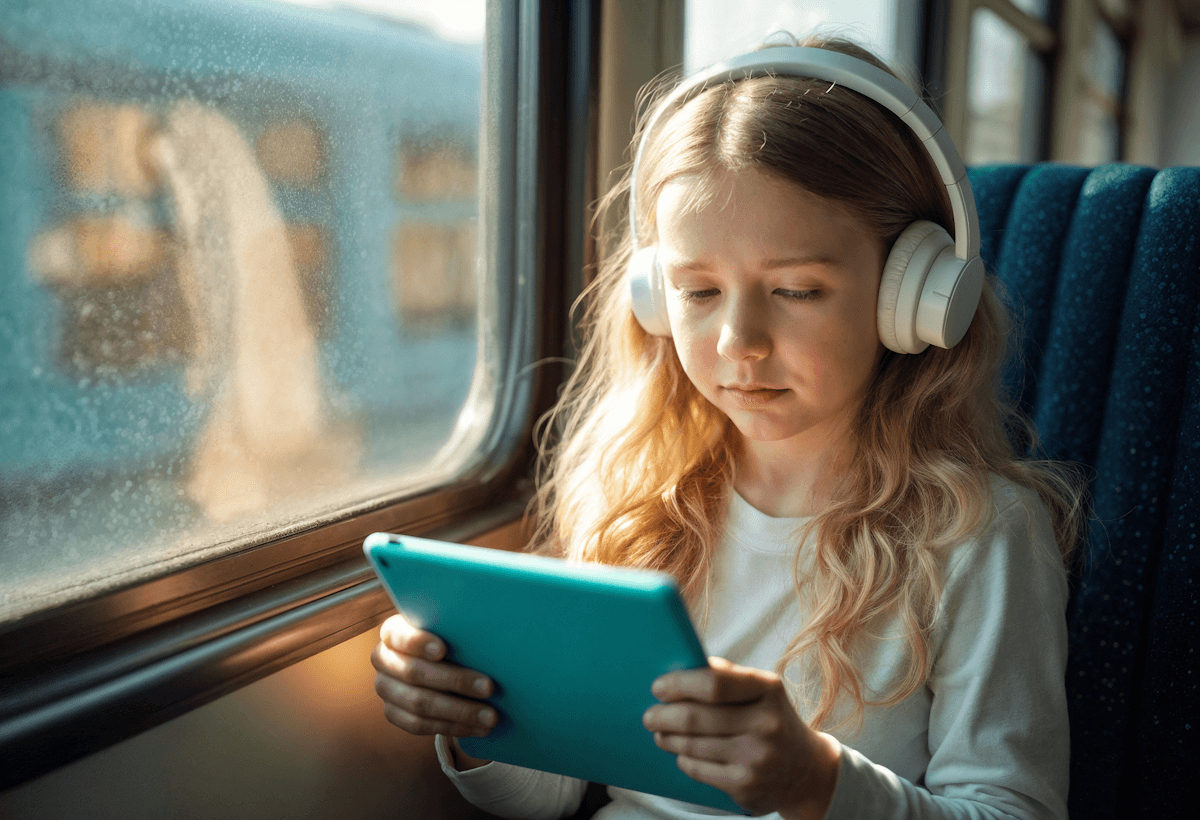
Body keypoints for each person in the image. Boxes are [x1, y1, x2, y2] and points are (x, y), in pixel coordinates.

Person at [370, 34, 1084, 820]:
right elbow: (557, 788)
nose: (739, 341)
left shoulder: (979, 538)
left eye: (796, 290)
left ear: (912, 295)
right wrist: (475, 719)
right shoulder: (634, 498)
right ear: (653, 294)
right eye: (700, 292)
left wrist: (817, 782)